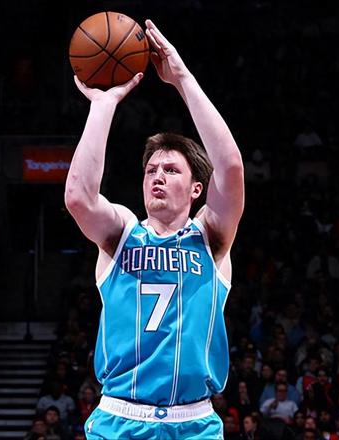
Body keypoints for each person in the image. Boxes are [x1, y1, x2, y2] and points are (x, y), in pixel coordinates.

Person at [65, 18, 244, 440]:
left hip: (194, 422)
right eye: (151, 170)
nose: (157, 176)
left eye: (171, 169)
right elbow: (78, 198)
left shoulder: (210, 237)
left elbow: (231, 167)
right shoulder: (123, 234)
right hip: (120, 417)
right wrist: (103, 104)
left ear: (197, 188)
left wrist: (182, 79)